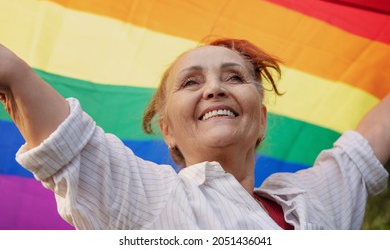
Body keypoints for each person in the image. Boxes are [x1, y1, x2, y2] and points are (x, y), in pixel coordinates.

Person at [0, 39, 388, 230]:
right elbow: (64, 137)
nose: (215, 89)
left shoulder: (313, 202)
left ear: (262, 120)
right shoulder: (148, 199)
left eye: (234, 77)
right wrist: (12, 72)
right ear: (167, 131)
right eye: (191, 82)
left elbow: (362, 150)